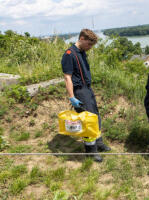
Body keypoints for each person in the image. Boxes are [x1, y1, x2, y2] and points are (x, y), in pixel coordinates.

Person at [61, 29, 111, 163]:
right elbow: (67, 77)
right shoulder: (69, 54)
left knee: (95, 116)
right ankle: (91, 151)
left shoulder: (82, 52)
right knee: (88, 120)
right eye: (89, 44)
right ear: (82, 38)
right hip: (79, 91)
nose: (90, 48)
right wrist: (72, 97)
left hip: (87, 89)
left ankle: (98, 142)